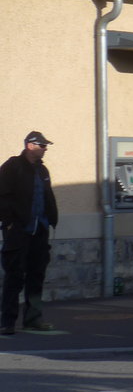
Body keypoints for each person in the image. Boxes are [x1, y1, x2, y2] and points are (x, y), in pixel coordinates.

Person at [0, 131, 59, 335]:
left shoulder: (42, 171)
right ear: (30, 146)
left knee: (37, 274)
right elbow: (2, 195)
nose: (45, 149)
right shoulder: (12, 167)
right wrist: (8, 222)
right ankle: (7, 321)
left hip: (39, 229)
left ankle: (33, 319)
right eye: (42, 146)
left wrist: (52, 219)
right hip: (19, 229)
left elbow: (47, 196)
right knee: (14, 275)